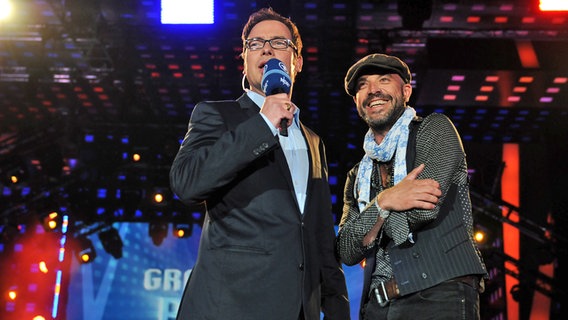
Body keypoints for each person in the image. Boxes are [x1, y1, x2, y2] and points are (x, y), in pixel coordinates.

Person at [170, 7, 350, 320]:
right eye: (255, 43)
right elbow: (187, 183)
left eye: (279, 42)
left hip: (297, 309)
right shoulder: (216, 115)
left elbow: (320, 234)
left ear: (298, 62)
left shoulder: (313, 140)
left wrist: (336, 309)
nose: (266, 48)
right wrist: (263, 122)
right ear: (245, 58)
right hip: (230, 305)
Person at [336, 53, 488, 320]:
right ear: (357, 102)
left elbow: (423, 211)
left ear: (406, 91)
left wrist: (371, 226)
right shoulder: (357, 174)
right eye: (363, 85)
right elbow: (347, 249)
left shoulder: (435, 130)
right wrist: (386, 201)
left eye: (384, 80)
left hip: (439, 295)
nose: (373, 90)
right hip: (378, 307)